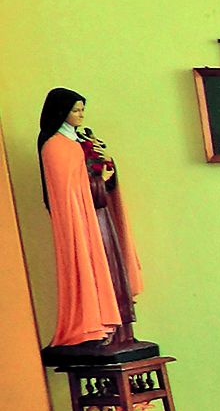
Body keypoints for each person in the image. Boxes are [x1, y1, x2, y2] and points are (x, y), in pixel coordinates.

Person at [37, 87, 145, 348]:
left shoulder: (83, 140)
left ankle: (122, 331)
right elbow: (66, 190)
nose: (81, 115)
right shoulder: (54, 146)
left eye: (82, 109)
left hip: (100, 218)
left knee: (112, 269)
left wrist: (107, 166)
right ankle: (92, 328)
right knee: (90, 267)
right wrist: (92, 175)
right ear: (61, 112)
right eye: (75, 110)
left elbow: (99, 178)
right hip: (81, 222)